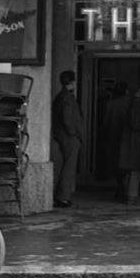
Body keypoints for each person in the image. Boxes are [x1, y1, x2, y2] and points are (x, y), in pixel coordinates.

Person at [117, 85, 140, 205]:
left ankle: (129, 194)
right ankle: (132, 196)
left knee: (131, 169)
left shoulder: (134, 102)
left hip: (132, 141)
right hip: (134, 141)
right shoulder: (138, 104)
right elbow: (135, 123)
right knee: (135, 169)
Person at [52, 69, 83, 208]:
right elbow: (67, 119)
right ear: (72, 82)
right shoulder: (67, 97)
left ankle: (62, 196)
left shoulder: (61, 96)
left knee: (66, 166)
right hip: (68, 137)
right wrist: (74, 134)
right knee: (69, 167)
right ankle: (63, 197)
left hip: (63, 135)